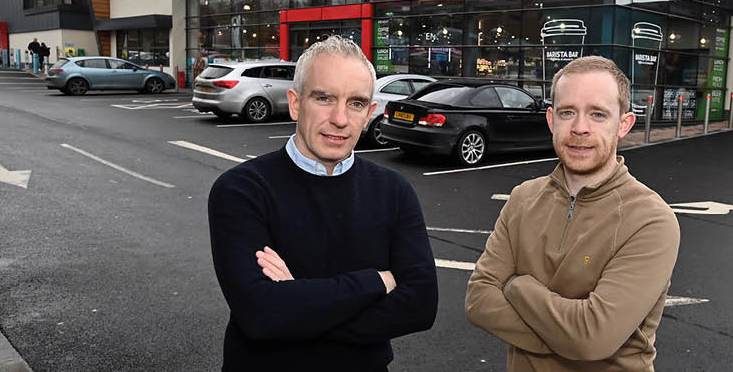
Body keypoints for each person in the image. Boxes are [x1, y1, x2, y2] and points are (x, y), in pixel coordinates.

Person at [208, 36, 438, 371]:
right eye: (325, 98)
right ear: (296, 103)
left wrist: (298, 303)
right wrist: (375, 281)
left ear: (370, 113)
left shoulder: (394, 191)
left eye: (356, 103)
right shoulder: (241, 190)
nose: (340, 119)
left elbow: (420, 305)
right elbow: (262, 314)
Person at [465, 56, 680, 371]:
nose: (580, 128)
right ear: (551, 120)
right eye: (568, 112)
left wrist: (515, 286)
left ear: (623, 124)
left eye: (597, 114)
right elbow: (479, 301)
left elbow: (591, 338)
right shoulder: (522, 199)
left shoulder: (651, 220)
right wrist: (565, 340)